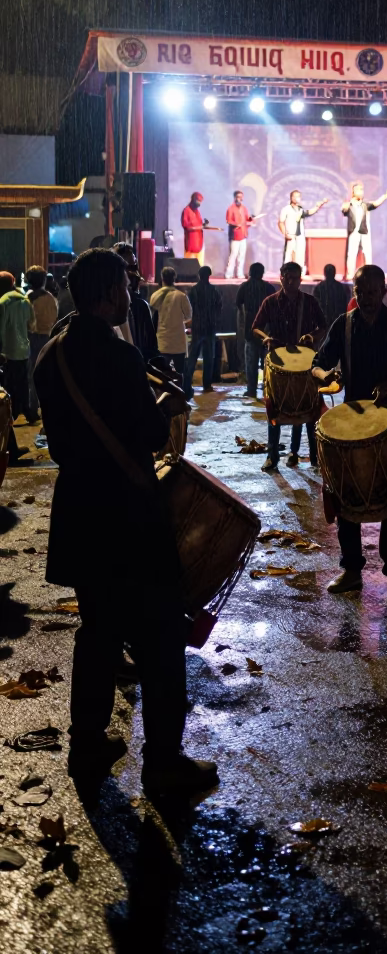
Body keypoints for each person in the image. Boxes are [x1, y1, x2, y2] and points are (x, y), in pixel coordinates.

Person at [33, 248, 215, 794]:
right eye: (124, 288)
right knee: (159, 641)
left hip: (80, 510)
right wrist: (164, 409)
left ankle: (86, 744)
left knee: (99, 633)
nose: (130, 296)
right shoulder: (118, 357)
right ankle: (162, 764)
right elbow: (150, 435)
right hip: (128, 516)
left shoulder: (50, 356)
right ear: (109, 293)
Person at [312, 264, 387, 598]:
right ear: (354, 292)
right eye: (360, 292)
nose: (367, 298)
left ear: (384, 291)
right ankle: (351, 570)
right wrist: (326, 378)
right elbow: (318, 363)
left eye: (373, 292)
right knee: (346, 495)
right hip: (351, 422)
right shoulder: (344, 325)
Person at [252, 261, 327, 470]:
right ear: (281, 278)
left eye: (295, 278)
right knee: (274, 409)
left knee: (308, 410)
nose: (292, 282)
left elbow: (323, 326)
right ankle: (272, 456)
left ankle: (310, 456)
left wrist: (312, 336)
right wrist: (266, 338)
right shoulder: (270, 302)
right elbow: (255, 327)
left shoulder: (310, 302)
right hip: (279, 363)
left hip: (305, 363)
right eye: (288, 278)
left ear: (301, 280)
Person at [0, 271, 37, 424]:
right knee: (23, 383)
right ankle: (27, 412)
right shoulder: (25, 301)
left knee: (8, 386)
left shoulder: (2, 303)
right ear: (13, 282)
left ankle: (12, 415)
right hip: (24, 350)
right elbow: (32, 326)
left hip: (7, 352)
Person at [236, 262, 275, 399]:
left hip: (250, 331)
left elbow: (239, 306)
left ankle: (251, 390)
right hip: (267, 333)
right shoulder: (269, 288)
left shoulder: (244, 287)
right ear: (262, 273)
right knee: (267, 364)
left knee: (251, 364)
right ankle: (267, 390)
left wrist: (243, 324)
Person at [184, 266, 223, 397]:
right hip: (210, 327)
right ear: (209, 275)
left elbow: (189, 308)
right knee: (208, 358)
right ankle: (207, 385)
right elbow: (219, 307)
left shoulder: (193, 290)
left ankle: (187, 383)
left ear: (199, 275)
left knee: (193, 357)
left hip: (197, 327)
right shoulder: (214, 290)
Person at [342, 181, 387, 280]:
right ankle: (350, 274)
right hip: (353, 231)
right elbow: (344, 210)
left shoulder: (365, 205)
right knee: (351, 253)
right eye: (358, 190)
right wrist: (347, 204)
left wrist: (385, 196)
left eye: (362, 190)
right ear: (353, 192)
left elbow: (375, 204)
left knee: (367, 253)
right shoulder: (349, 204)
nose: (361, 192)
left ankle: (369, 274)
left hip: (364, 231)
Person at [25, 265, 58, 419]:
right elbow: (54, 317)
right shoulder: (51, 298)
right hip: (48, 337)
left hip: (31, 338)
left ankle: (32, 409)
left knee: (31, 374)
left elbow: (27, 322)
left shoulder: (29, 298)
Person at [149, 267, 192, 377]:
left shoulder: (154, 296)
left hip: (162, 342)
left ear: (162, 278)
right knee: (180, 374)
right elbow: (189, 315)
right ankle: (182, 393)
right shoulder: (181, 296)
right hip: (178, 343)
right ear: (174, 279)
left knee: (162, 376)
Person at [277, 189, 329, 272]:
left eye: (299, 196)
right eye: (295, 196)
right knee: (289, 255)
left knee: (300, 255)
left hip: (300, 235)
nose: (297, 198)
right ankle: (286, 273)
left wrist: (319, 205)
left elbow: (310, 212)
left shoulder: (300, 210)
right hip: (291, 235)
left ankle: (299, 272)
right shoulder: (286, 209)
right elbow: (280, 222)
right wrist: (285, 233)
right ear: (291, 198)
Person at [225, 189, 255, 280]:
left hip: (243, 234)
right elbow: (228, 221)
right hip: (235, 235)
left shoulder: (244, 208)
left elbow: (247, 219)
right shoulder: (231, 208)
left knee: (241, 256)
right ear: (235, 198)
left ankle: (239, 273)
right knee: (233, 255)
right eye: (238, 197)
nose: (240, 199)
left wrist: (251, 220)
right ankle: (228, 274)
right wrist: (236, 224)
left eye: (241, 197)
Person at [181, 191, 209, 264]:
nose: (199, 203)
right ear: (193, 199)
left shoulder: (197, 211)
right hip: (191, 242)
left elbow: (199, 224)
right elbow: (187, 226)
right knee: (190, 265)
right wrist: (200, 227)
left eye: (200, 201)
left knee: (200, 264)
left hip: (199, 241)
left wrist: (204, 224)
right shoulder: (186, 211)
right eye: (198, 201)